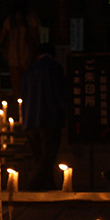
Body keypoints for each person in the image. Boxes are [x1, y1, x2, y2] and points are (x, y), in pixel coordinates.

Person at [22, 43, 67, 191]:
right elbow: (59, 93)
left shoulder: (30, 70)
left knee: (39, 156)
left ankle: (48, 185)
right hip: (49, 117)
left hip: (30, 119)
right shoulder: (54, 68)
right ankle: (34, 184)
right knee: (48, 155)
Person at [0, 0, 40, 98]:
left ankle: (20, 108)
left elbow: (3, 37)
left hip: (15, 55)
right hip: (25, 54)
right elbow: (36, 37)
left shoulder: (12, 19)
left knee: (18, 88)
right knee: (27, 86)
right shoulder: (29, 19)